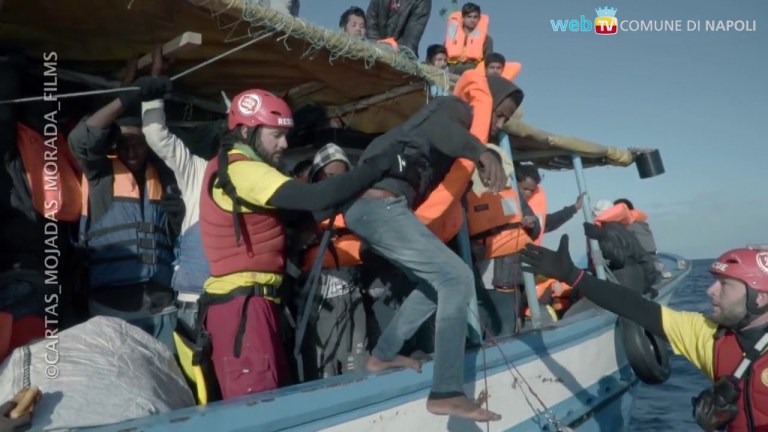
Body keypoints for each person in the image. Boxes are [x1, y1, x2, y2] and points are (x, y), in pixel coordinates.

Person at [198, 89, 419, 399]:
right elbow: (317, 197)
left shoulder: (242, 168)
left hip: (257, 304)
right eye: (276, 135)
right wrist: (378, 166)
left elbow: (308, 210)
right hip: (242, 310)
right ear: (247, 132)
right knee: (258, 408)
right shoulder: (241, 169)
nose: (284, 144)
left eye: (286, 135)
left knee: (276, 400)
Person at [342, 74, 522, 422]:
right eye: (501, 114)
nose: (499, 124)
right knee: (457, 278)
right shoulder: (452, 108)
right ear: (489, 101)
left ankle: (382, 355)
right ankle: (447, 391)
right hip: (379, 205)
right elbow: (440, 129)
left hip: (376, 209)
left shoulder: (458, 133)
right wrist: (482, 152)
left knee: (434, 284)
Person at [520, 236, 768, 432]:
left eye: (724, 284)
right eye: (715, 281)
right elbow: (635, 307)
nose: (711, 291)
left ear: (760, 298)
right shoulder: (709, 336)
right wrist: (573, 275)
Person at [68, 78, 183, 349]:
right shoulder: (100, 174)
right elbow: (80, 139)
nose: (131, 151)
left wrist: (178, 218)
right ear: (114, 146)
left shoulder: (165, 177)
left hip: (161, 306)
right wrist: (129, 97)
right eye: (124, 143)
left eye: (139, 143)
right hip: (111, 310)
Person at [587, 199, 657, 296]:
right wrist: (647, 287)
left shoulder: (603, 233)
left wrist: (601, 238)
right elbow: (646, 260)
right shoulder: (624, 230)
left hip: (623, 287)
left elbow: (618, 259)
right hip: (636, 283)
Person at [365, 0, 431, 56]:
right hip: (372, 51)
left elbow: (410, 42)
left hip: (400, 59)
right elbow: (371, 23)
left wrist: (390, 49)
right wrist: (377, 47)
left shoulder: (422, 2)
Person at [445, 2, 493, 75]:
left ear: (479, 19)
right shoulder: (452, 35)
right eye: (469, 17)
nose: (472, 20)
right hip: (453, 70)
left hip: (474, 71)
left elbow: (489, 61)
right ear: (463, 18)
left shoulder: (487, 39)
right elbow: (442, 56)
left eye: (475, 17)